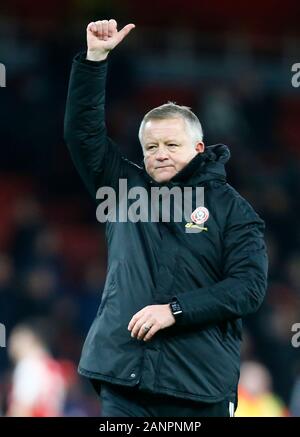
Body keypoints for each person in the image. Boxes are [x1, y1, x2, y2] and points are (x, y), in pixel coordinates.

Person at [64, 18, 268, 417]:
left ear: (198, 146)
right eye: (150, 146)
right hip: (125, 381)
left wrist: (174, 310)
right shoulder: (124, 189)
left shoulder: (232, 209)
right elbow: (82, 134)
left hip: (199, 387)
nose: (159, 153)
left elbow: (249, 287)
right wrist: (94, 60)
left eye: (171, 144)